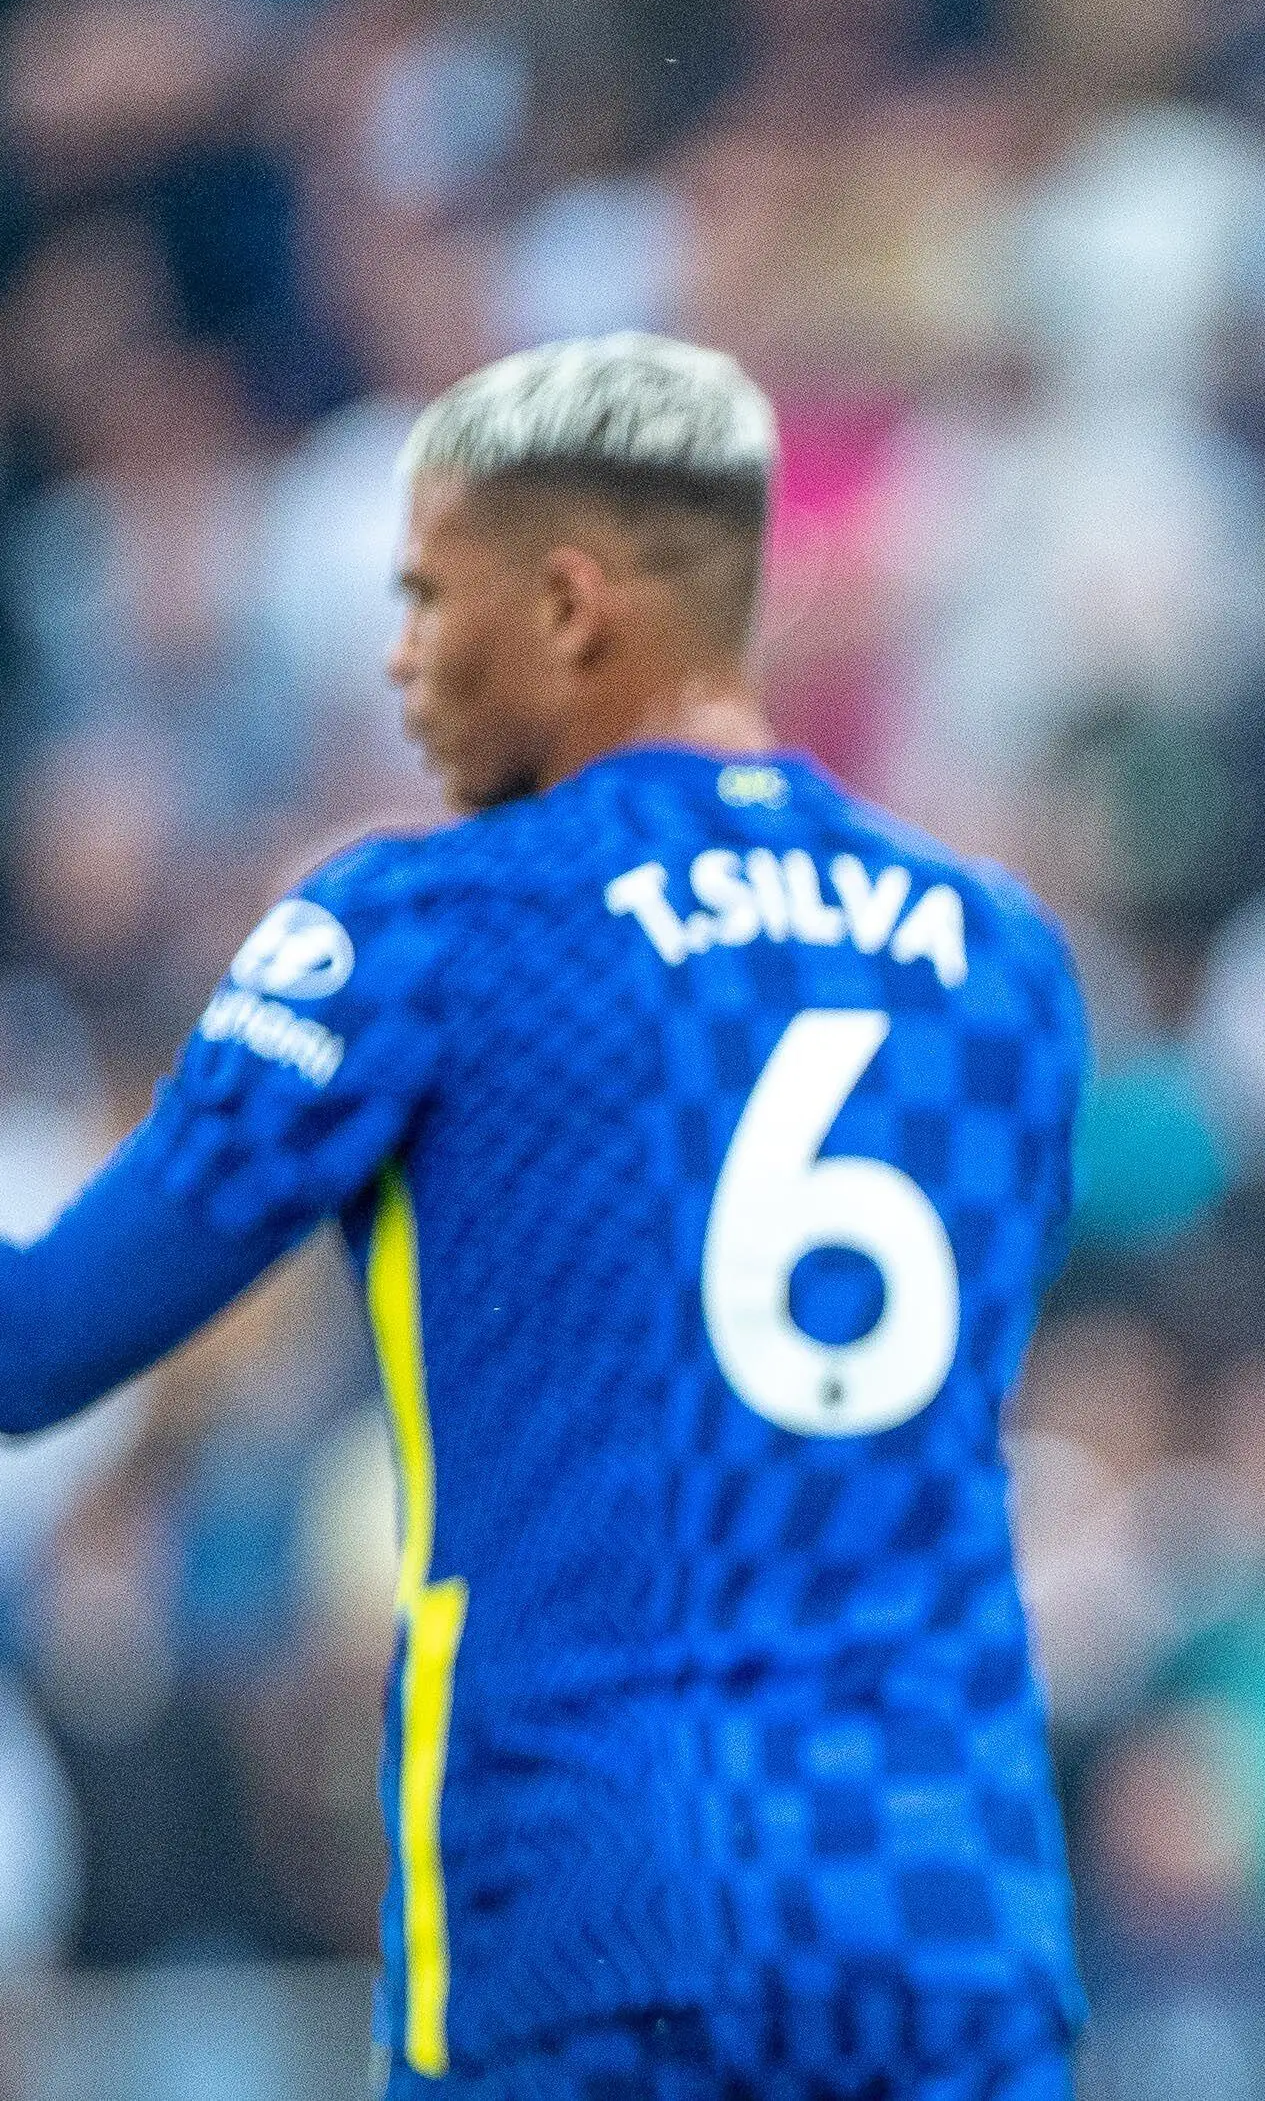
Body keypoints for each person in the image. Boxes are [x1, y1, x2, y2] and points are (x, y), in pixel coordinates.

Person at [0, 336, 1087, 2097]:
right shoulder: (1006, 959)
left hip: (594, 1899)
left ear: (572, 609)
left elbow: (39, 1341)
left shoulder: (425, 930)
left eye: (429, 596)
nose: (398, 655)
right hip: (945, 1894)